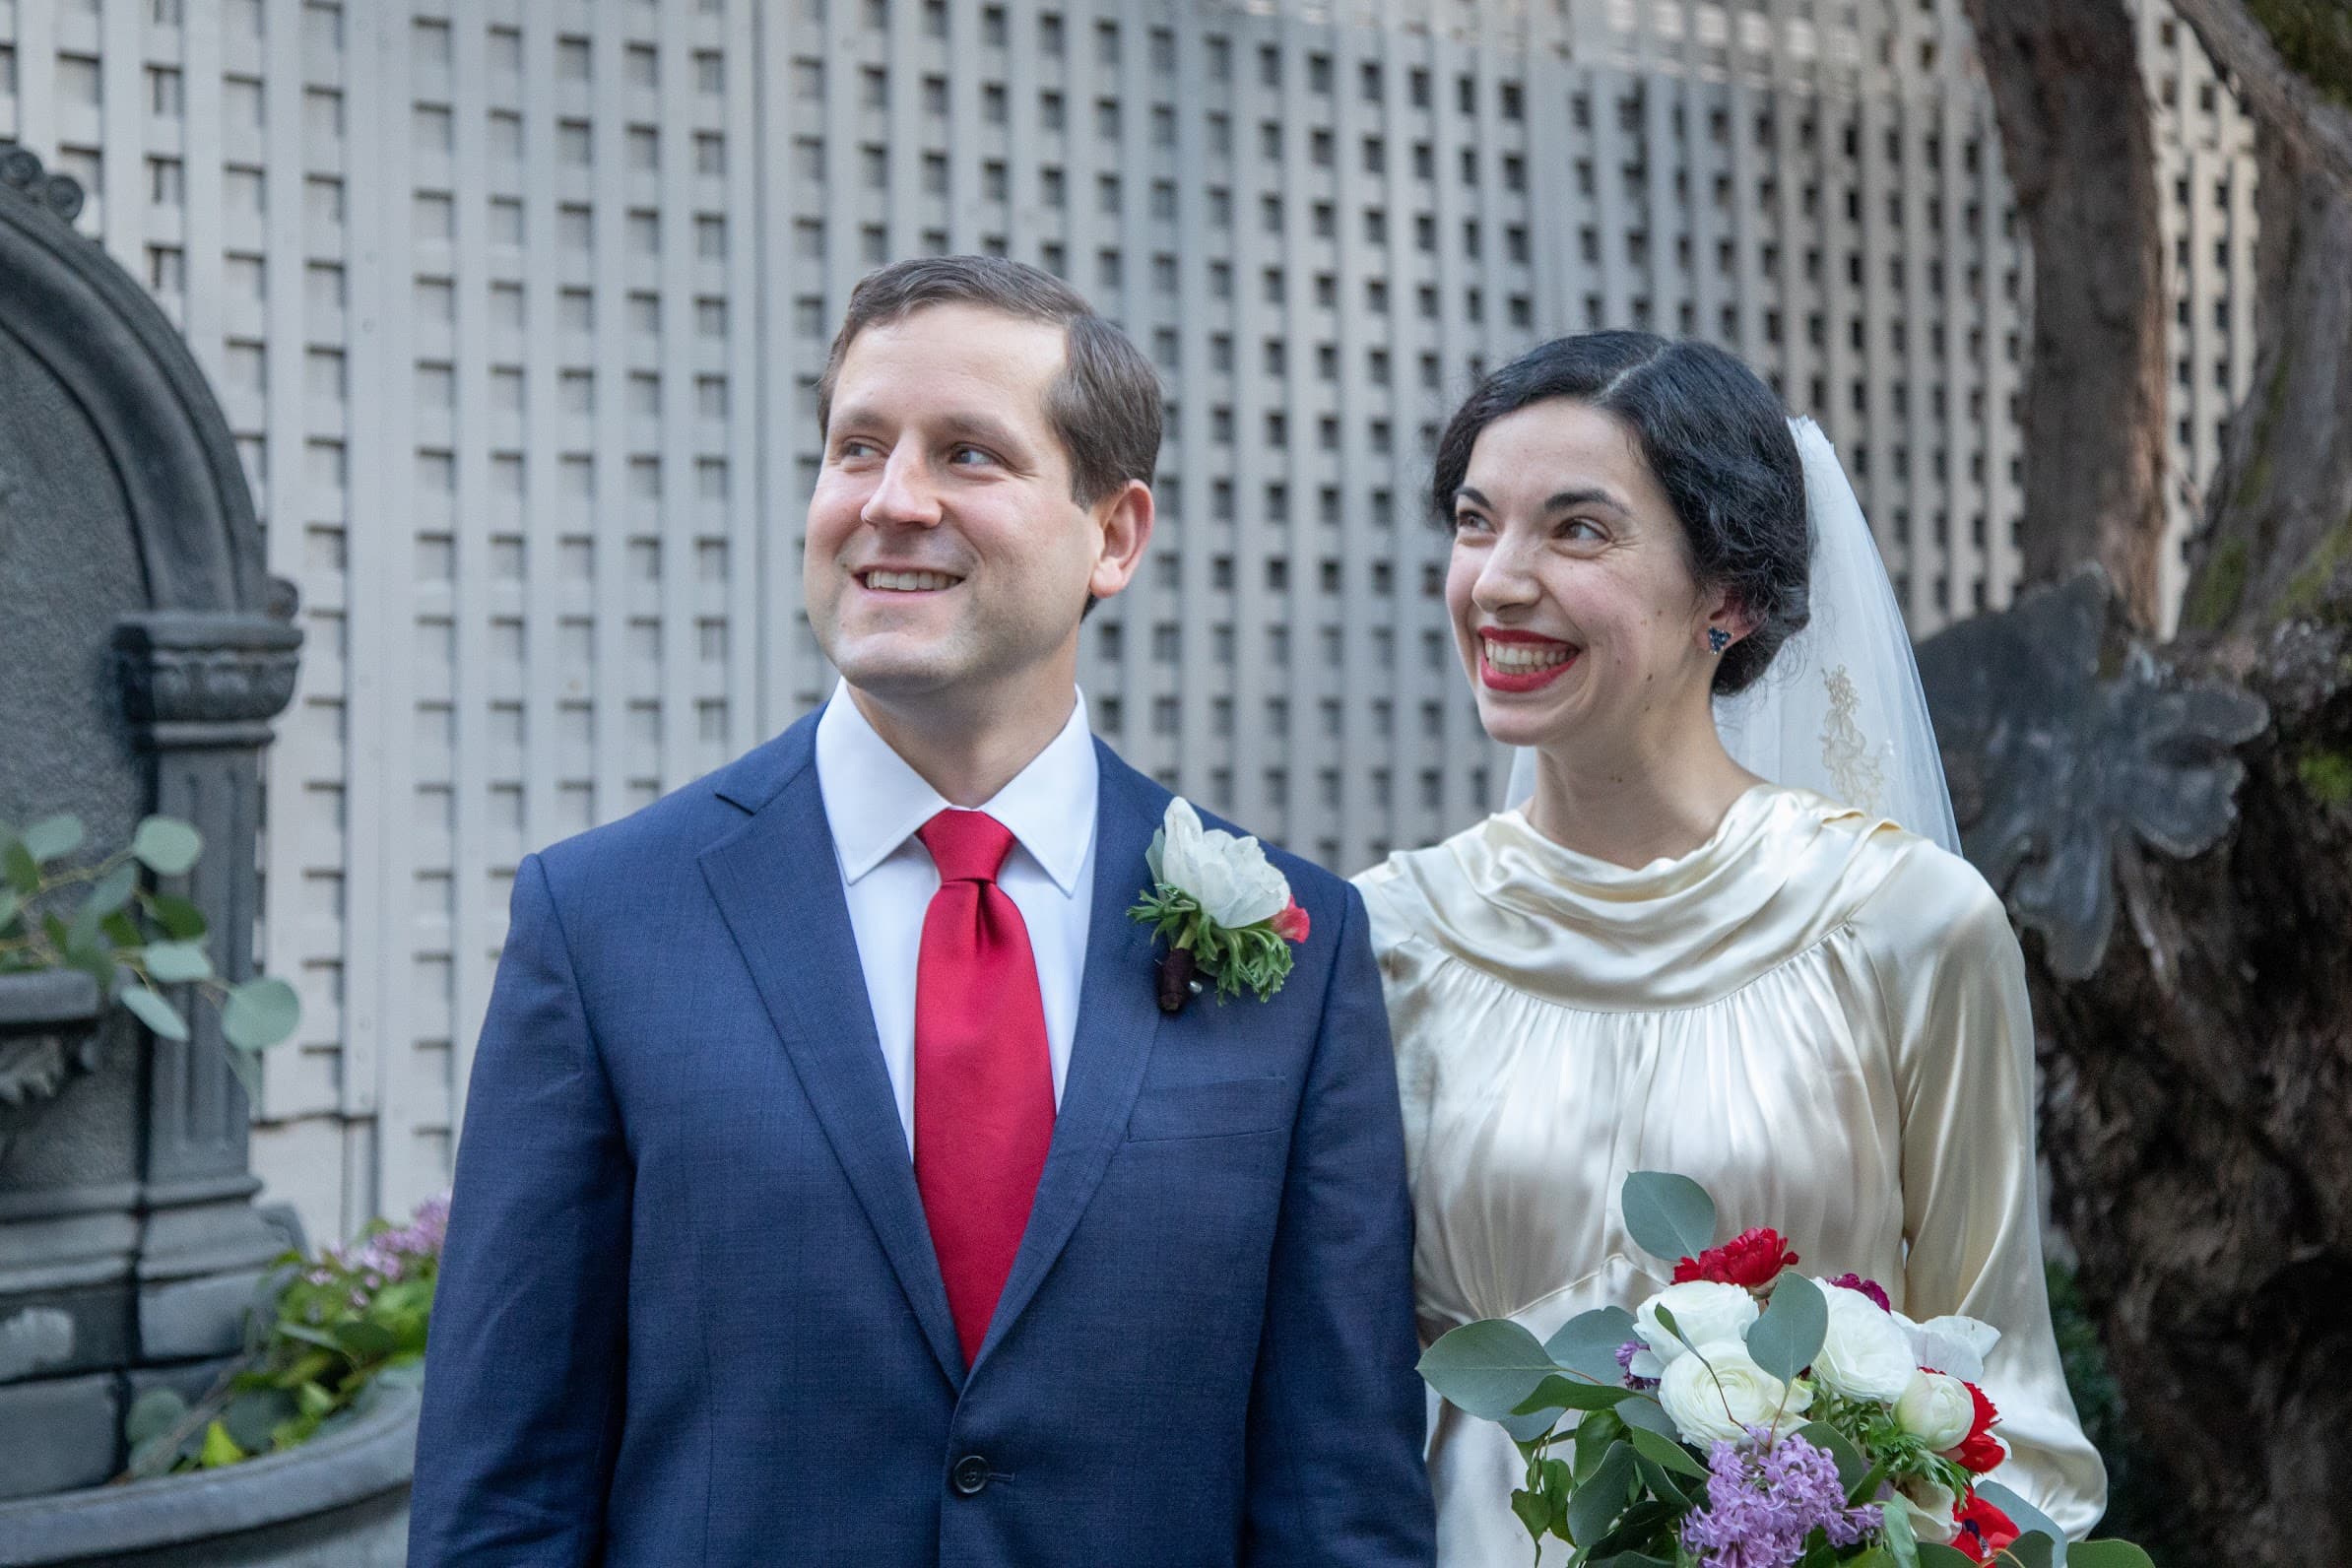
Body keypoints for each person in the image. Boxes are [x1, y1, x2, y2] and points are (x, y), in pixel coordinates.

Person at [408, 255, 1434, 1566]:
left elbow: (1338, 1497)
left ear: (1113, 536)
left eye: (967, 455)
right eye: (857, 449)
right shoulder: (605, 923)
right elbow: (506, 1495)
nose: (893, 502)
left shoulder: (1303, 940)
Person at [1352, 332, 2106, 1566]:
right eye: (1477, 522)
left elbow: (2006, 1403)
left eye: (1578, 530)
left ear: (1732, 592)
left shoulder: (1910, 925)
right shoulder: (1386, 938)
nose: (1496, 581)